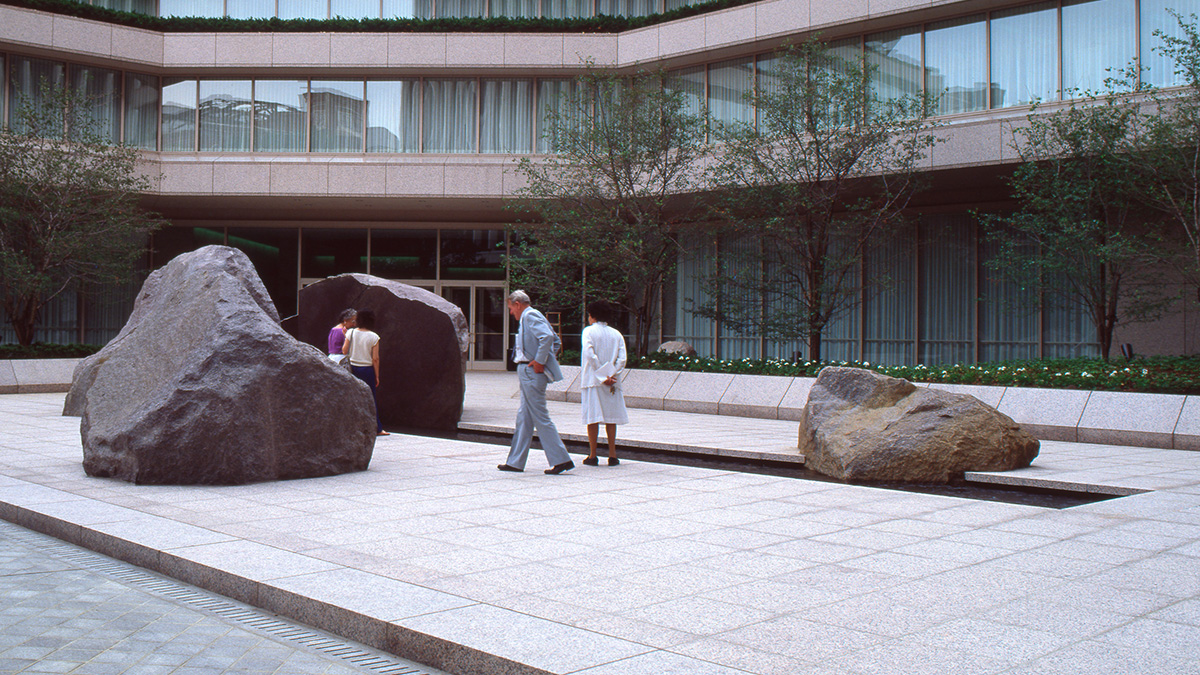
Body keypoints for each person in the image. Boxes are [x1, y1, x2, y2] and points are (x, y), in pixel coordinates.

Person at [498, 290, 574, 475]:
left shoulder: (530, 315)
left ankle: (562, 459)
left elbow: (548, 338)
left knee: (540, 416)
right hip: (529, 371)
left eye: (510, 308)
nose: (511, 313)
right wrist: (544, 359)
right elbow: (555, 340)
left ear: (517, 304)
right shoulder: (531, 316)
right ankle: (515, 462)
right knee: (524, 418)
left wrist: (540, 361)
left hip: (531, 371)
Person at [580, 301, 628, 466]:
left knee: (593, 417)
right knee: (611, 418)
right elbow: (622, 359)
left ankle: (593, 455)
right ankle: (613, 455)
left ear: (592, 315)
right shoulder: (616, 334)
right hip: (612, 381)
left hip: (593, 381)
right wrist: (611, 374)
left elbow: (589, 354)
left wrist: (601, 375)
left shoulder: (589, 332)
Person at [343, 309, 389, 436]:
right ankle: (377, 428)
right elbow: (375, 359)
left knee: (352, 397)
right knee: (371, 398)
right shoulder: (374, 336)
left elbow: (344, 350)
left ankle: (351, 425)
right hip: (367, 369)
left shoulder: (351, 333)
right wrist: (377, 376)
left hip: (352, 368)